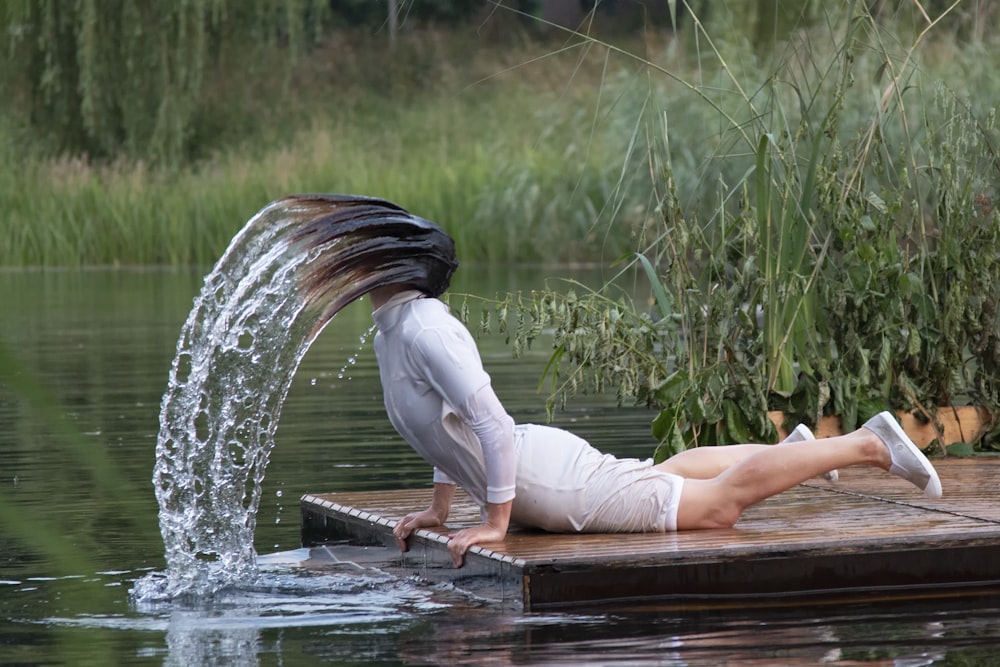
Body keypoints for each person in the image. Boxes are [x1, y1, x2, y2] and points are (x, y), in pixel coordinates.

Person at [369, 282, 942, 568]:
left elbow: (489, 424)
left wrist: (495, 523)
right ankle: (791, 451)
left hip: (551, 487)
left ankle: (866, 443)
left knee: (718, 508)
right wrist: (440, 511)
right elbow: (445, 426)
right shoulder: (393, 331)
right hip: (541, 482)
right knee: (661, 475)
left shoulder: (424, 329)